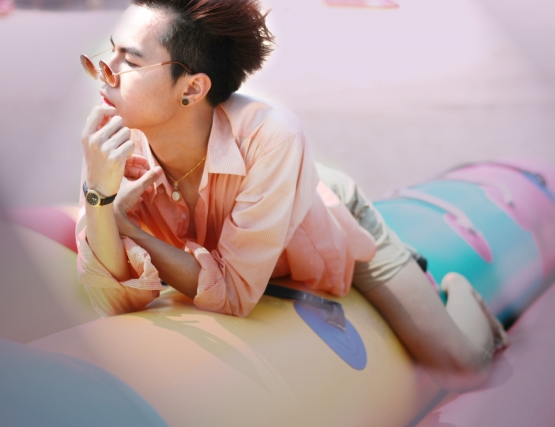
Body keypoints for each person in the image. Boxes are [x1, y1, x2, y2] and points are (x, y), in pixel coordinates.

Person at [77, 0, 508, 392]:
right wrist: (98, 195)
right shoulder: (110, 141)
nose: (104, 68)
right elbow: (112, 299)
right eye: (111, 49)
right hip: (236, 252)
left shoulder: (271, 134)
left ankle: (460, 292)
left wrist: (125, 225)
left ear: (191, 88)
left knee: (463, 367)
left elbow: (233, 294)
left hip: (327, 222)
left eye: (130, 60)